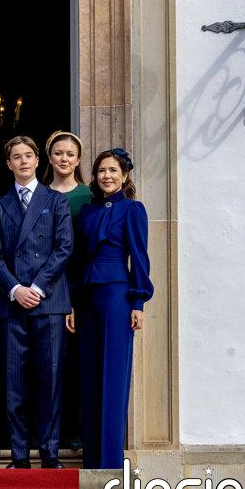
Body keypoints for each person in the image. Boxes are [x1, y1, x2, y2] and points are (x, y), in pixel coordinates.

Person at [0, 136, 74, 469]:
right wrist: (15, 289)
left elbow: (64, 248)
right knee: (15, 385)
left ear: (38, 160)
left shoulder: (55, 201)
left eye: (28, 156)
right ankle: (19, 455)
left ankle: (50, 453)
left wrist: (36, 286)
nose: (23, 161)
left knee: (50, 381)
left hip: (48, 302)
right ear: (8, 164)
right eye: (15, 157)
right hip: (12, 305)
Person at [66, 148, 153, 469]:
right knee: (90, 377)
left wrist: (138, 301)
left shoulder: (133, 210)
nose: (107, 176)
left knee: (113, 377)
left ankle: (110, 464)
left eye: (113, 170)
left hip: (117, 295)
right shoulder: (87, 212)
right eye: (102, 170)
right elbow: (76, 261)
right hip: (86, 298)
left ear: (125, 175)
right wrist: (72, 303)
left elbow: (139, 257)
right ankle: (92, 461)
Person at [42, 130, 93, 451]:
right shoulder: (39, 194)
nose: (64, 159)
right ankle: (48, 431)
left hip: (81, 287)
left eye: (70, 154)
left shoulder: (89, 196)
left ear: (78, 159)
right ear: (49, 157)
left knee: (77, 364)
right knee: (48, 365)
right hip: (47, 287)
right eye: (58, 153)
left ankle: (76, 431)